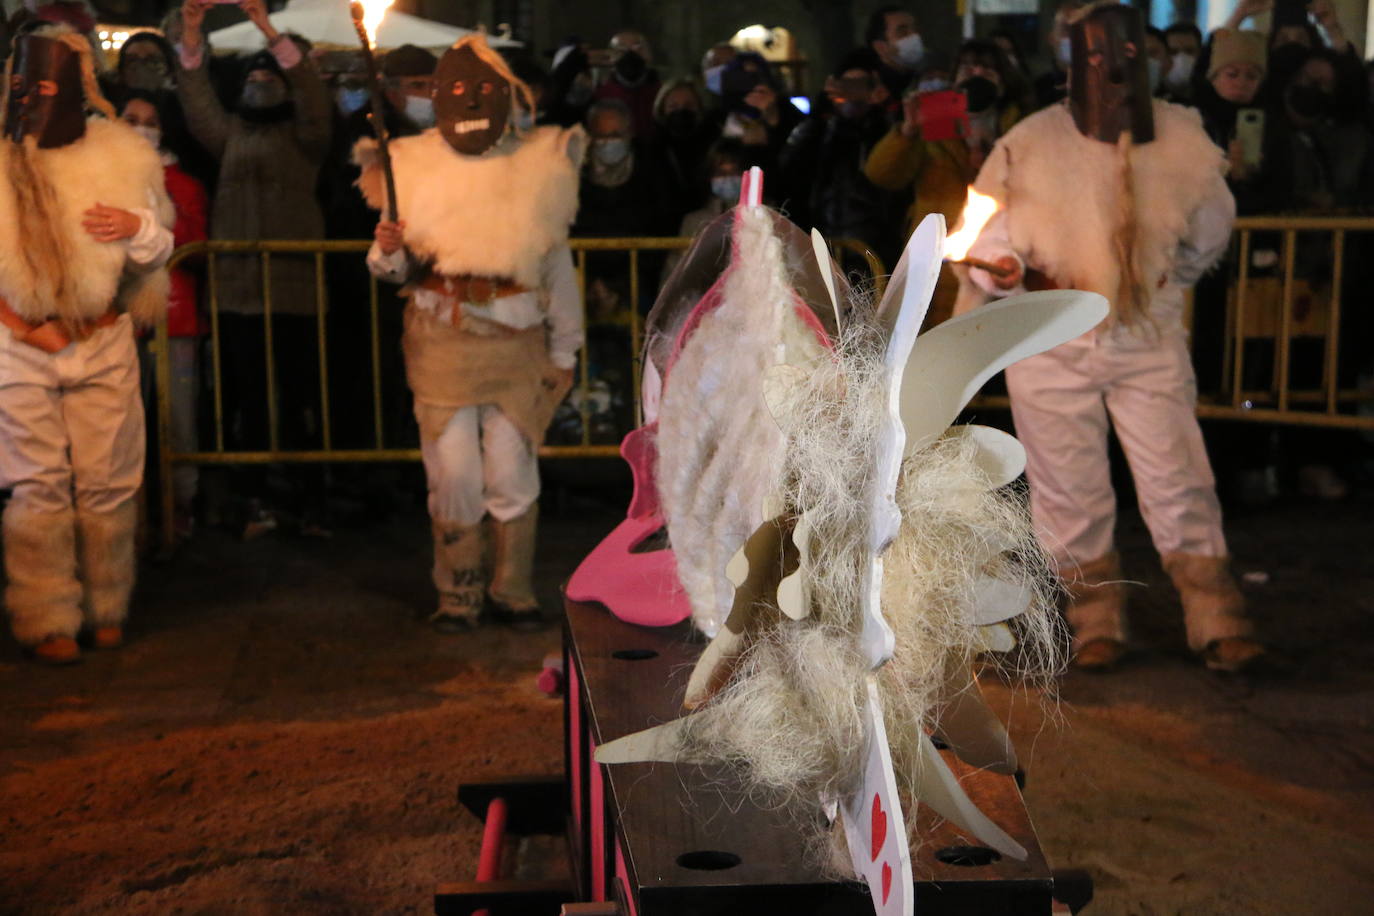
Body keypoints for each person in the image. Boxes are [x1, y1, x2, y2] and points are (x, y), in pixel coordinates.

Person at [960, 3, 1264, 674]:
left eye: (1123, 55)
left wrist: (1154, 282)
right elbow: (980, 238)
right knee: (1067, 483)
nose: (1110, 69)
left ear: (1146, 59)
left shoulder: (1184, 141)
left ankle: (1215, 612)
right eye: (1094, 56)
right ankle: (1095, 618)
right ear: (1071, 62)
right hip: (1051, 337)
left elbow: (1210, 229)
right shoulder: (1028, 143)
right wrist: (1006, 275)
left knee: (1176, 471)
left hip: (1145, 337)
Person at [359, 35, 585, 631]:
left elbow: (555, 262)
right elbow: (398, 267)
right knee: (452, 472)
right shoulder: (411, 163)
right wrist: (389, 251)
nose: (471, 98)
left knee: (512, 470)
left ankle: (512, 591)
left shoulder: (540, 162)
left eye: (485, 87)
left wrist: (565, 345)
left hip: (516, 343)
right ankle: (458, 595)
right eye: (455, 89)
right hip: (443, 343)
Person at [0, 24, 174, 664]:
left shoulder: (122, 156)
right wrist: (22, 326)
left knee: (107, 479)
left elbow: (156, 252)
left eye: (42, 84)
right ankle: (45, 613)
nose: (27, 96)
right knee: (37, 482)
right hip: (21, 347)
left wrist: (138, 225)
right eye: (19, 83)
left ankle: (107, 602)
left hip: (102, 340)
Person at [176, 0, 332, 537]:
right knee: (247, 401)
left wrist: (269, 31)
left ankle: (306, 500)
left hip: (291, 289)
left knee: (298, 399)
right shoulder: (232, 134)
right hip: (238, 291)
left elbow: (313, 97)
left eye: (271, 72)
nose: (260, 79)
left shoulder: (307, 137)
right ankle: (255, 500)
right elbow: (197, 103)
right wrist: (193, 35)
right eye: (254, 73)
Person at [120, 90, 209, 540]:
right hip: (119, 323)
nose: (141, 127)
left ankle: (180, 509)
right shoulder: (103, 179)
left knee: (179, 423)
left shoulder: (185, 184)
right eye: (131, 118)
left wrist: (149, 229)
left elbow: (194, 245)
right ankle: (129, 519)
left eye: (149, 120)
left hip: (175, 320)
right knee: (122, 428)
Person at [780, 50, 902, 270]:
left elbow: (887, 172)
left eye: (861, 84)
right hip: (823, 244)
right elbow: (791, 171)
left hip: (877, 250)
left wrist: (879, 111)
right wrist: (820, 112)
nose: (853, 93)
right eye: (847, 84)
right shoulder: (821, 129)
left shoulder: (886, 128)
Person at [594, 29, 661, 141]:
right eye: (621, 50)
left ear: (649, 55)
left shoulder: (663, 96)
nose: (630, 54)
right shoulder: (599, 98)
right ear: (610, 57)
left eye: (638, 48)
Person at [864, 5, 923, 101]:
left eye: (915, 30)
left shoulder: (924, 77)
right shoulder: (874, 92)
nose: (915, 36)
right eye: (903, 32)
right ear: (881, 48)